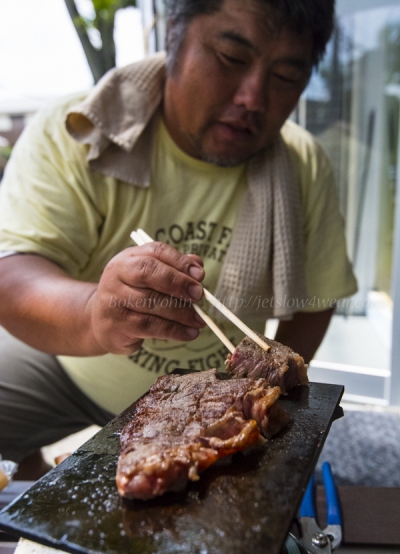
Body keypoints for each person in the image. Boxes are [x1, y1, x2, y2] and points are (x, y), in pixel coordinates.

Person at [0, 0, 357, 478]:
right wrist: (96, 315)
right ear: (174, 36)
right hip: (72, 367)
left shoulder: (301, 165)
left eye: (286, 76)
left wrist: (262, 393)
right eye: (231, 59)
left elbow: (318, 298)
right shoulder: (80, 130)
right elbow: (13, 277)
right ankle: (28, 470)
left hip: (217, 391)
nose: (253, 97)